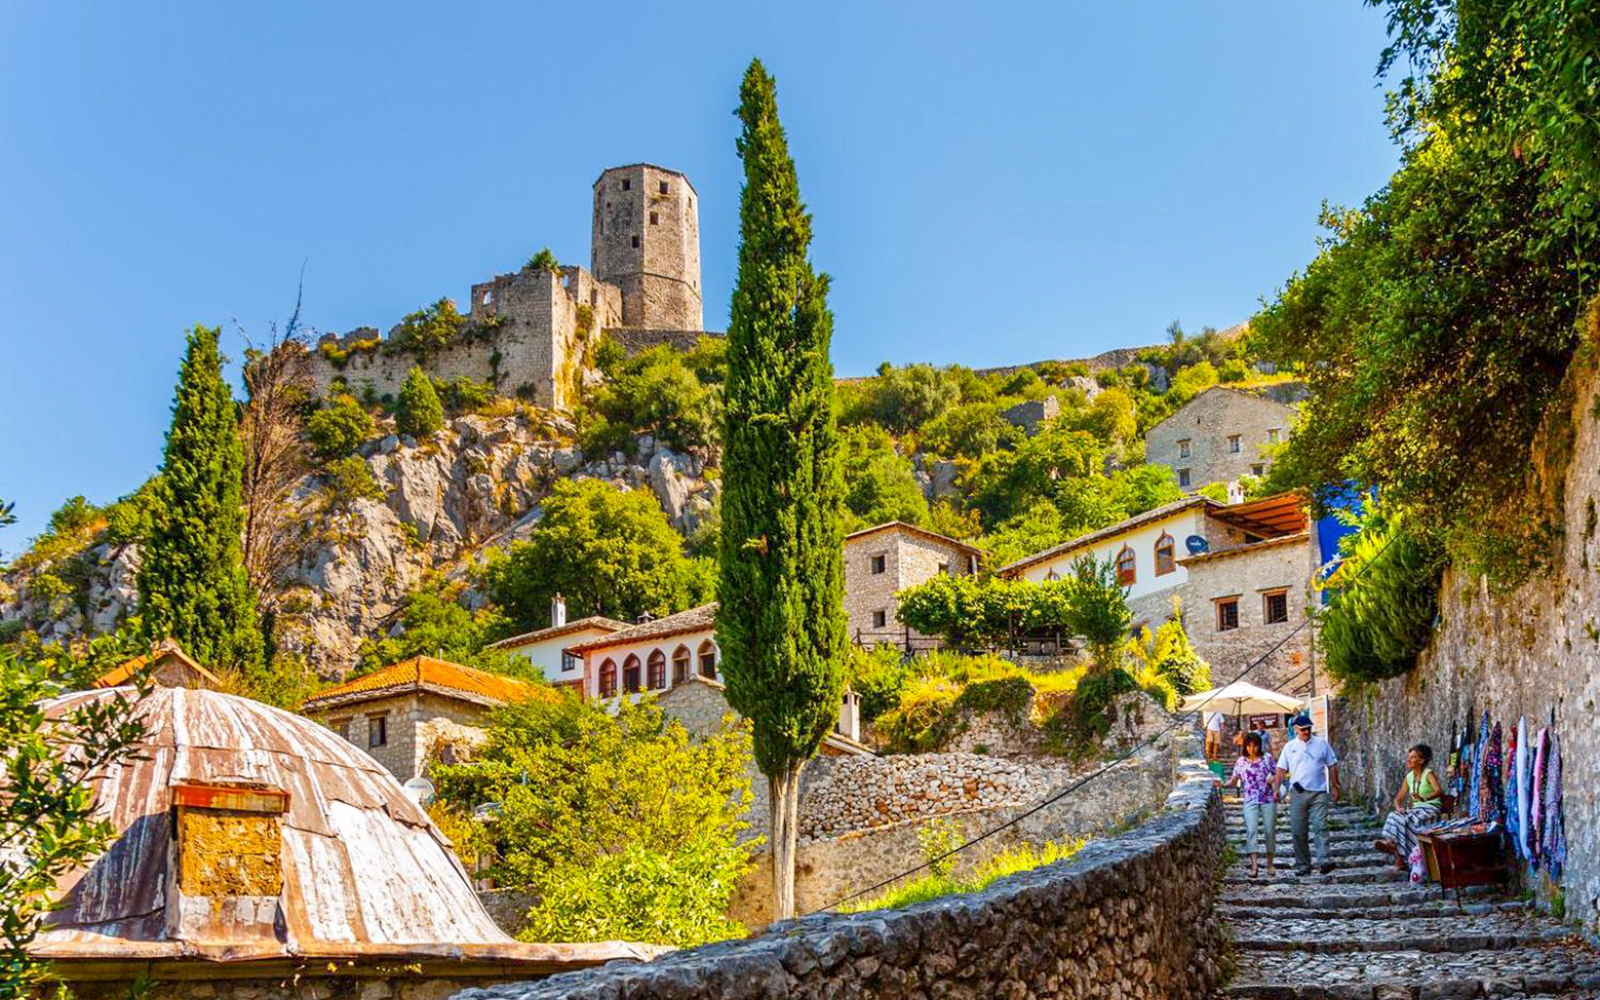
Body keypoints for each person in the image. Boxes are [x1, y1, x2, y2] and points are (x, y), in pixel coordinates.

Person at [1275, 713, 1341, 876]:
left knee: (1320, 826)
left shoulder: (1321, 744)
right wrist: (1276, 788)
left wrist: (1335, 786)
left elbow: (1332, 765)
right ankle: (1303, 865)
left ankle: (1324, 860)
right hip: (1298, 793)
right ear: (1295, 729)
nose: (1306, 732)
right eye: (1303, 729)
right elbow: (1281, 769)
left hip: (1319, 792)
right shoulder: (1289, 747)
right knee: (1298, 831)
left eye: (1308, 728)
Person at [1377, 743, 1444, 870]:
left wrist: (1424, 798)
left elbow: (1439, 790)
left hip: (1430, 810)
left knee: (1403, 821)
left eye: (1413, 757)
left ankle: (1397, 857)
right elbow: (1397, 799)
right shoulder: (1409, 777)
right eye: (1409, 757)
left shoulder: (1428, 773)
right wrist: (1398, 808)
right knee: (1394, 816)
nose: (1408, 759)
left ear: (1421, 760)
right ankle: (1392, 845)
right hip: (1416, 810)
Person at [1225, 732, 1277, 878]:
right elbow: (1234, 780)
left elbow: (1278, 775)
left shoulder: (1267, 758)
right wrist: (1221, 784)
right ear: (1245, 746)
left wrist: (1273, 780)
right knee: (1251, 831)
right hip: (1249, 800)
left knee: (1269, 831)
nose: (1252, 749)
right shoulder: (1240, 762)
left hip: (1268, 799)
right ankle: (1254, 866)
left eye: (1254, 745)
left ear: (1259, 745)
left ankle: (1270, 864)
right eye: (1249, 746)